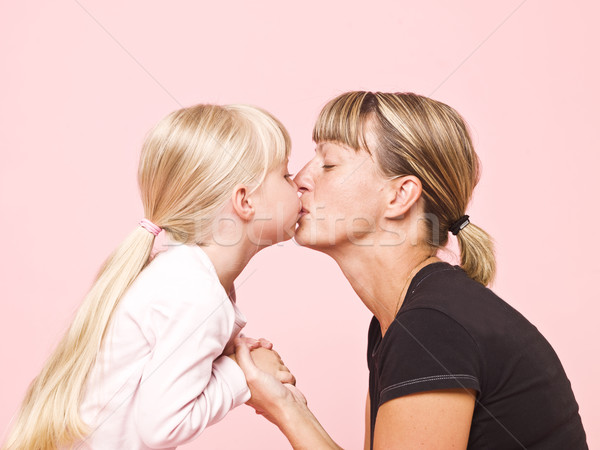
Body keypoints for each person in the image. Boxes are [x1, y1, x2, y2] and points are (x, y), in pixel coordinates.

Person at [234, 91, 588, 449]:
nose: (300, 179)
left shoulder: (432, 328)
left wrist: (283, 406)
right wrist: (283, 400)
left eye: (329, 164)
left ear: (400, 196)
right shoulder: (399, 323)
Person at [3, 103, 300, 450]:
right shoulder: (197, 293)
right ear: (245, 200)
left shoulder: (184, 275)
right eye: (286, 174)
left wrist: (232, 354)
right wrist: (243, 375)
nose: (298, 185)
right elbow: (163, 428)